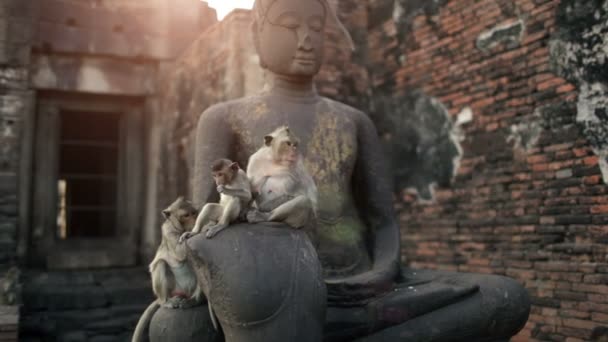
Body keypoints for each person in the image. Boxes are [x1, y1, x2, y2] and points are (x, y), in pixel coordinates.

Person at [191, 0, 530, 340]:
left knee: (505, 297)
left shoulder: (352, 121)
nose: (307, 39)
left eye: (317, 29)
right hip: (278, 290)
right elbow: (206, 229)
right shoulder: (224, 119)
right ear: (256, 33)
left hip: (361, 288)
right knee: (179, 329)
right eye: (291, 26)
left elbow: (383, 222)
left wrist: (381, 273)